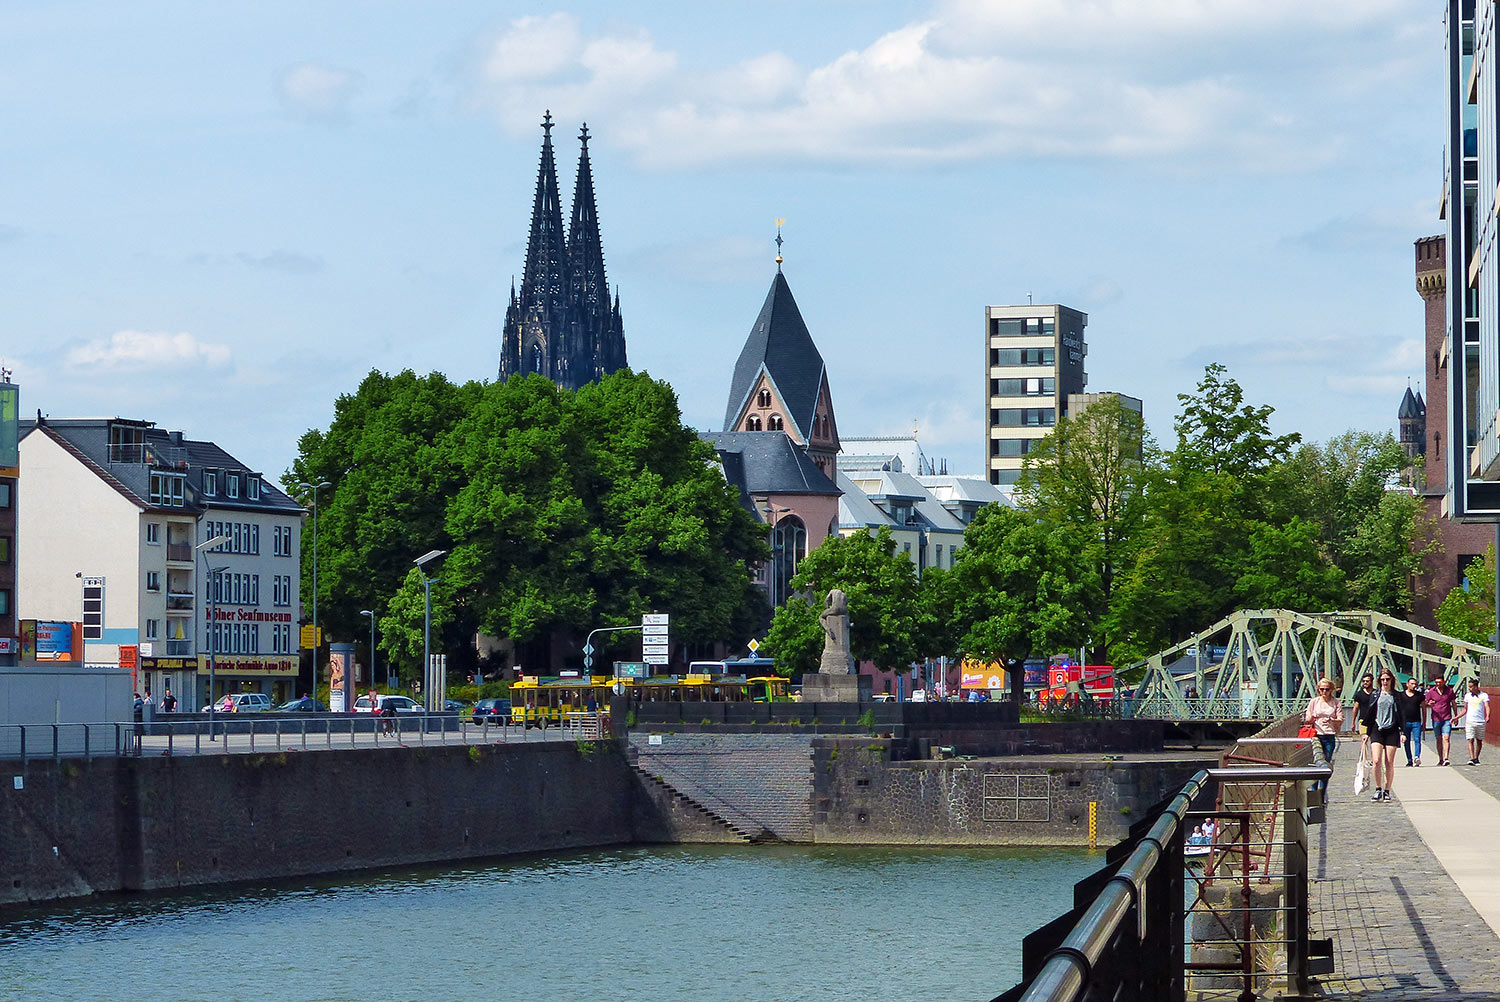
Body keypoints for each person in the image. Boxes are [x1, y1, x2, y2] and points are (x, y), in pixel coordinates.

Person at [1302, 677, 1344, 794]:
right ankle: (1314, 791)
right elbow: (1307, 719)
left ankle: (1322, 792)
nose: (1324, 692)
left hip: (1329, 735)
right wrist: (1313, 717)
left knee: (1326, 764)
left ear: (1331, 690)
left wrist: (1332, 720)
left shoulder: (1335, 703)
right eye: (1321, 689)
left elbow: (1340, 719)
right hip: (1316, 735)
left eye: (1326, 689)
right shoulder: (1314, 702)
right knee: (1315, 764)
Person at [1368, 669, 1401, 801]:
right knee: (1376, 761)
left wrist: (1403, 732)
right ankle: (1377, 788)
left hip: (1392, 729)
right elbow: (1369, 713)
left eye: (1387, 679)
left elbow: (1402, 714)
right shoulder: (1375, 694)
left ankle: (1387, 790)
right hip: (1377, 728)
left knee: (1389, 762)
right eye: (1382, 679)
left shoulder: (1397, 696)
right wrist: (1365, 733)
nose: (1385, 682)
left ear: (1392, 680)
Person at [1426, 674, 1456, 766]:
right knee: (1438, 739)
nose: (1438, 684)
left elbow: (1453, 703)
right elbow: (1426, 703)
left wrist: (1456, 716)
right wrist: (1429, 703)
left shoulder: (1449, 691)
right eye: (1436, 682)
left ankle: (1446, 758)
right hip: (1436, 718)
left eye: (1439, 682)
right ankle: (1440, 759)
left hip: (1447, 718)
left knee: (1446, 738)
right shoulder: (1431, 691)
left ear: (1444, 681)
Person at [1459, 678, 1490, 766]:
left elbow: (1487, 706)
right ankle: (1472, 758)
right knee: (1470, 739)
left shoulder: (1484, 695)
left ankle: (1476, 757)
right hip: (1470, 721)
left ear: (1476, 687)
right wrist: (1457, 717)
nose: (1470, 689)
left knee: (1479, 740)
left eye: (1471, 687)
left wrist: (1487, 716)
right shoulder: (1467, 696)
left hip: (1480, 721)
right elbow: (1465, 709)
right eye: (1469, 687)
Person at [1397, 676, 1426, 767]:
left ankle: (1417, 757)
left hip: (1416, 721)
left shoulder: (1419, 695)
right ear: (1407, 684)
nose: (1414, 686)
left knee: (1417, 740)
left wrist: (1424, 722)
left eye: (1415, 684)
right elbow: (1398, 709)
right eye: (1412, 684)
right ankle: (1409, 759)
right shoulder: (1401, 695)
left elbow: (1424, 708)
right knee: (1406, 741)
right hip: (1405, 722)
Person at [1352, 672, 1377, 764]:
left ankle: (1373, 758)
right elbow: (1356, 708)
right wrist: (1353, 722)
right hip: (1362, 719)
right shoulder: (1359, 694)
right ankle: (1365, 759)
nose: (1365, 683)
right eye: (1364, 681)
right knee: (1364, 740)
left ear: (1372, 681)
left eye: (1367, 681)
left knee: (1374, 740)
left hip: (1374, 720)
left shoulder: (1376, 693)